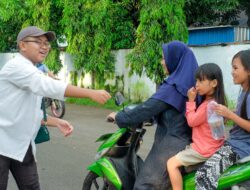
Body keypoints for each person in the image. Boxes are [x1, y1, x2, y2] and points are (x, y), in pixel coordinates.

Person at [0, 26, 111, 190]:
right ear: (22, 45)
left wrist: (56, 122)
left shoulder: (32, 70)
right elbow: (48, 86)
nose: (44, 47)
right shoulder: (17, 66)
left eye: (46, 43)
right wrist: (90, 93)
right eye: (38, 42)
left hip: (22, 145)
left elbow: (28, 113)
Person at [107, 40, 199, 189]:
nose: (162, 62)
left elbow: (147, 108)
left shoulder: (173, 87)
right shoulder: (186, 83)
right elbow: (160, 109)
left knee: (144, 185)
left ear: (175, 59)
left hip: (173, 142)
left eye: (164, 58)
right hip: (178, 139)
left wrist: (119, 117)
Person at [195, 49, 250, 190]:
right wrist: (229, 112)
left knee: (203, 176)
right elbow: (244, 115)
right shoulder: (244, 91)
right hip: (236, 142)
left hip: (240, 147)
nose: (232, 71)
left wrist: (230, 115)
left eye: (235, 68)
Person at [167, 63, 226, 190]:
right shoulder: (215, 102)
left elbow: (192, 121)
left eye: (201, 80)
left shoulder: (208, 106)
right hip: (213, 146)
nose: (196, 84)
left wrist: (191, 101)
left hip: (203, 149)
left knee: (171, 164)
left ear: (214, 83)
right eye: (196, 80)